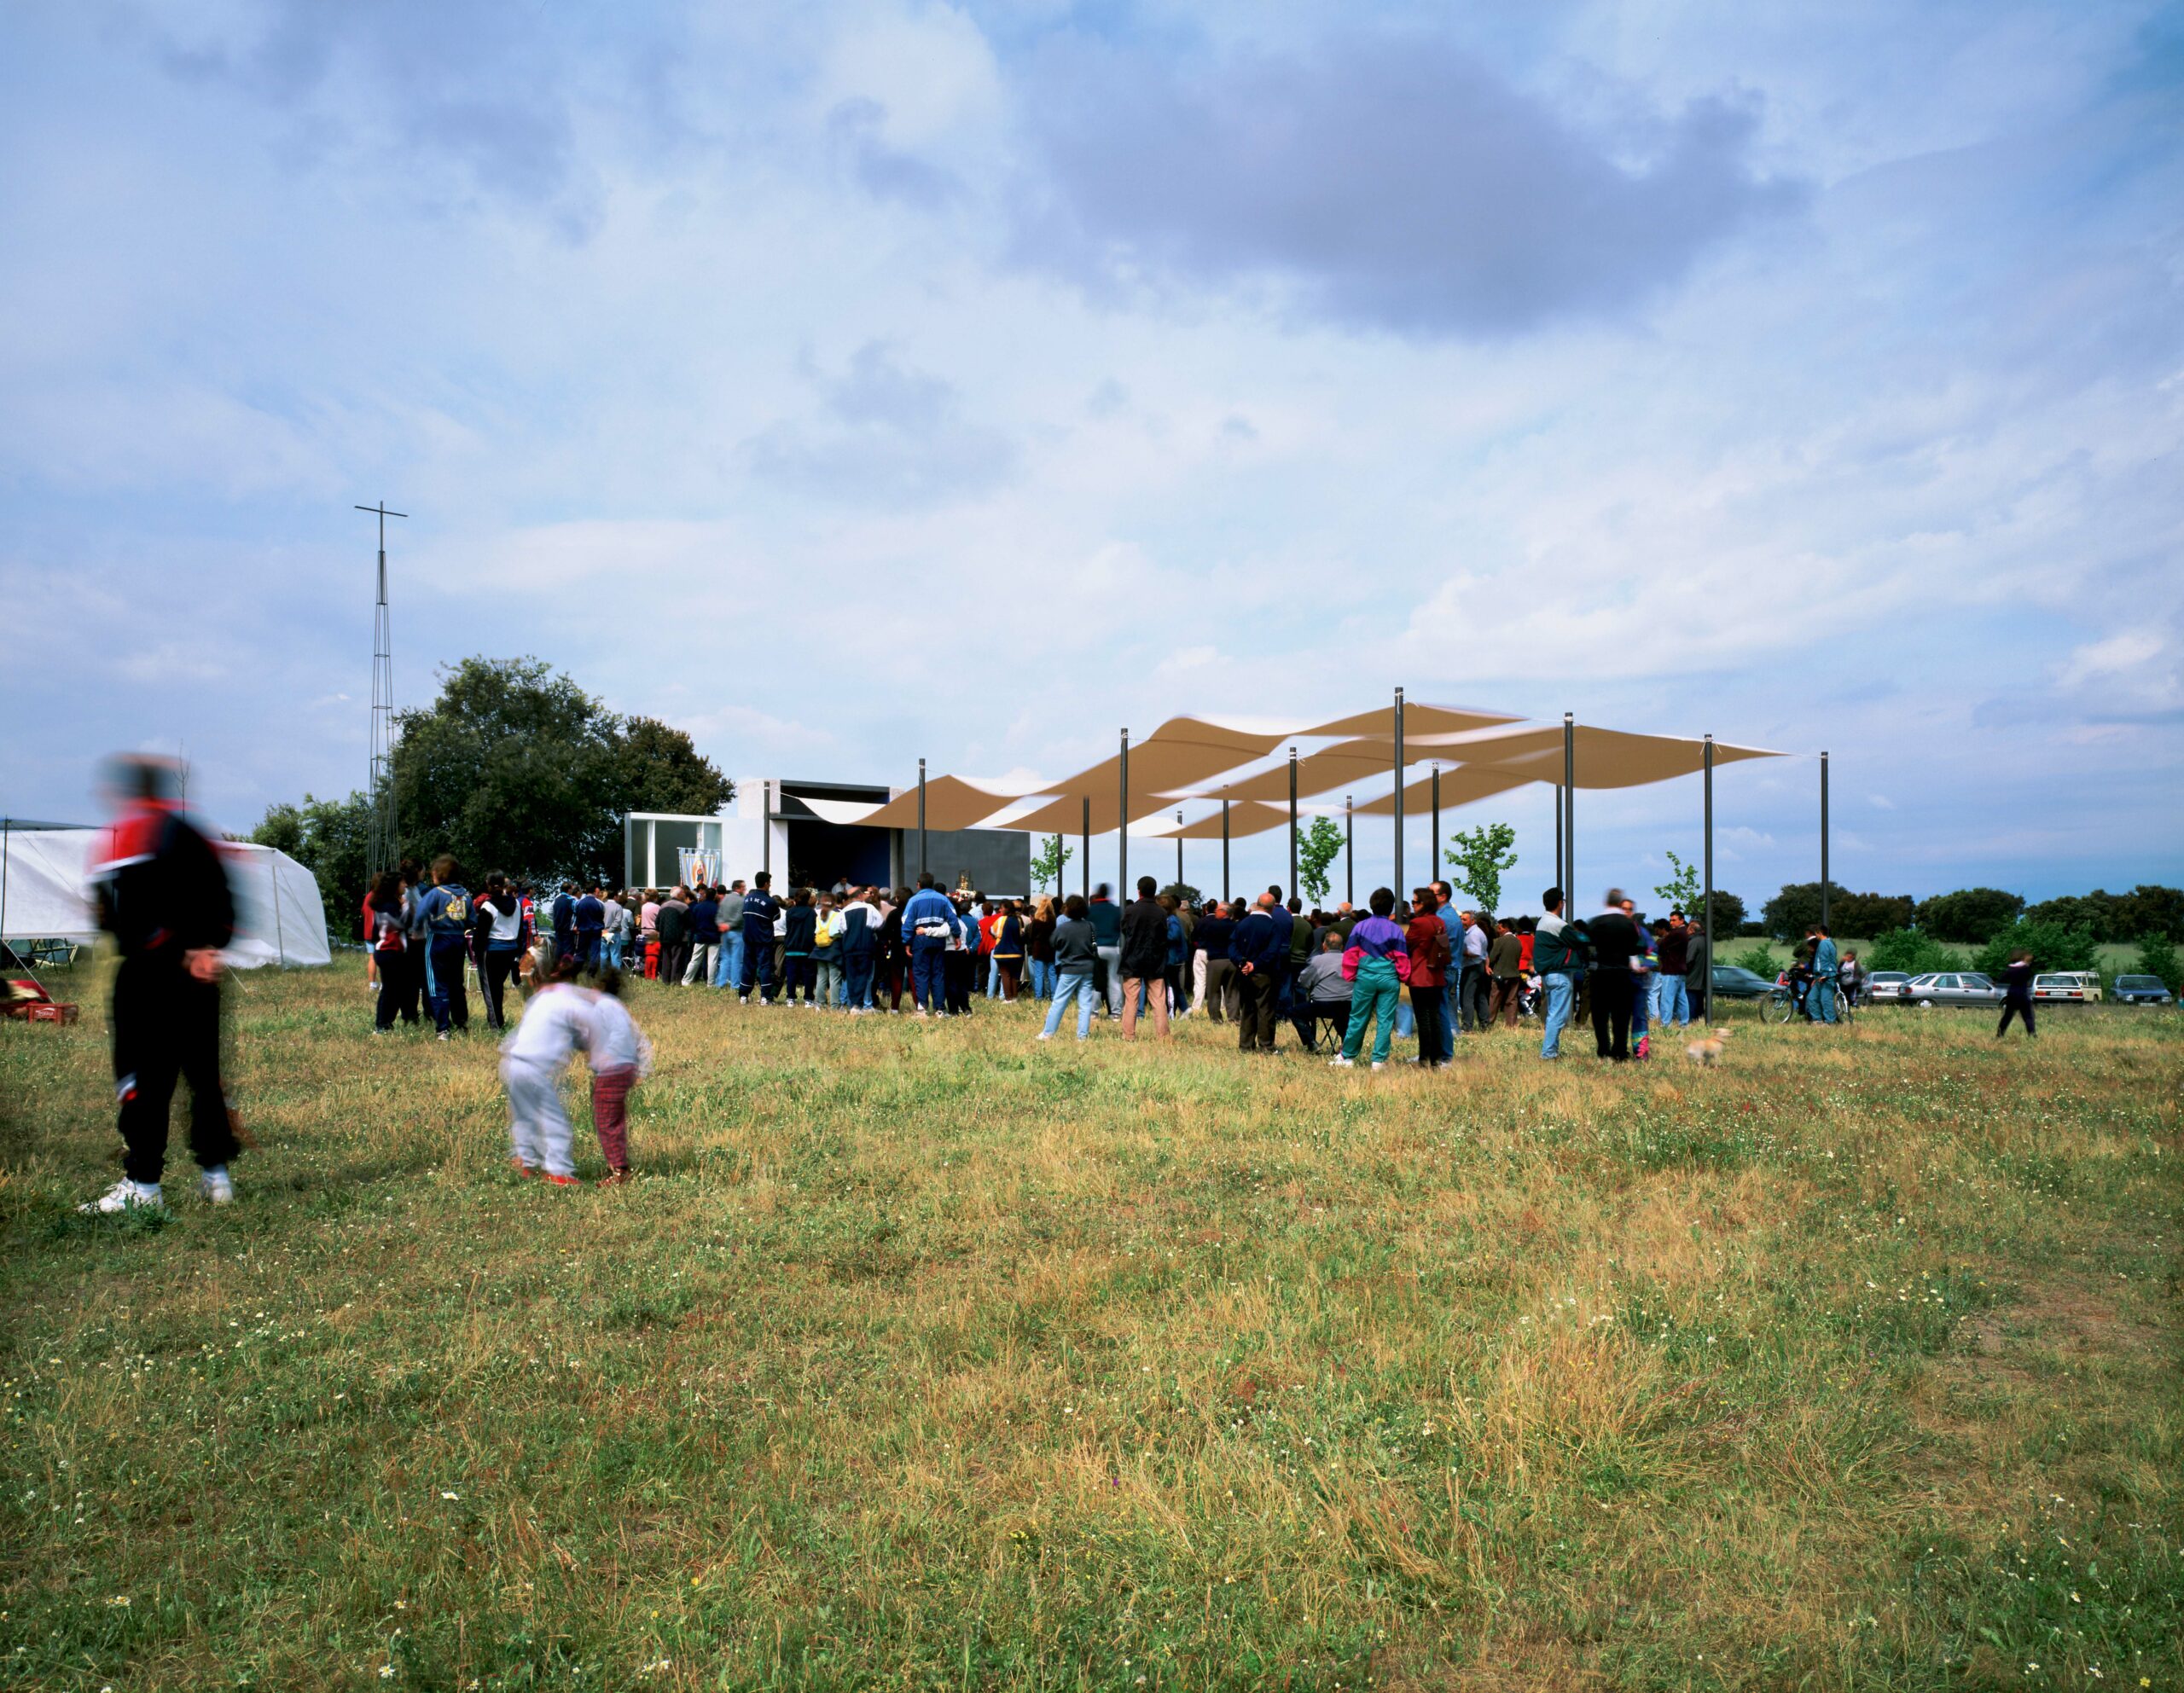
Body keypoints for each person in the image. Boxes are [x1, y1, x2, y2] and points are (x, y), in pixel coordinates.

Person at [78, 757, 243, 1214]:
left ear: (125, 793)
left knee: (143, 1079)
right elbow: (229, 900)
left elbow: (117, 914)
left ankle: (144, 1185)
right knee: (203, 1077)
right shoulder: (199, 837)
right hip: (201, 976)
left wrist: (166, 947)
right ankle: (217, 1178)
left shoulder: (125, 836)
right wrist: (209, 946)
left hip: (149, 978)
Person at [498, 954, 590, 1186]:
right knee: (554, 1121)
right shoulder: (572, 1001)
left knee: (523, 1116)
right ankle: (559, 1171)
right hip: (535, 1068)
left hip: (511, 1063)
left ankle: (525, 1160)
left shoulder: (539, 998)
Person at [583, 966, 651, 1185]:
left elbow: (616, 1035)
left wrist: (606, 1056)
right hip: (624, 1068)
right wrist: (641, 1068)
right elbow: (638, 1037)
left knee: (606, 1121)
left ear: (598, 988)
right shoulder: (617, 1007)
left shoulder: (602, 1006)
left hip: (613, 1069)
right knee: (614, 1119)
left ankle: (620, 1172)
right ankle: (618, 1165)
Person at [1333, 887, 1411, 1069]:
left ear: (1371, 905)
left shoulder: (1360, 927)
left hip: (1365, 978)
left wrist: (1350, 974)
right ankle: (1378, 1060)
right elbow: (1402, 956)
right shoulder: (1396, 930)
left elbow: (1351, 953)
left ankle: (1348, 1057)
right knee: (1385, 1020)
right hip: (1389, 979)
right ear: (1391, 907)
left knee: (1358, 1017)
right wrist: (1404, 975)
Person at [414, 855, 473, 1039]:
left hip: (438, 940)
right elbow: (472, 920)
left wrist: (416, 931)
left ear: (439, 875)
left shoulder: (436, 892)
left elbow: (420, 913)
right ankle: (461, 1023)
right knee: (456, 983)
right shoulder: (466, 894)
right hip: (458, 942)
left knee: (436, 983)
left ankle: (443, 1028)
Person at [1228, 889, 1289, 1054]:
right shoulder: (1272, 926)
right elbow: (1272, 950)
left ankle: (1246, 1045)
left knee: (1247, 1008)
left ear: (1257, 904)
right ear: (1272, 908)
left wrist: (1242, 962)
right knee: (1265, 1010)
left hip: (1243, 972)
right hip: (1265, 973)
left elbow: (1232, 946)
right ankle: (1266, 1045)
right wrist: (1256, 964)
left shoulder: (1242, 923)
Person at [1585, 889, 1642, 1063]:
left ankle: (1604, 1049)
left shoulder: (1595, 923)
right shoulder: (1628, 924)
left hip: (1601, 973)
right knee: (1622, 1015)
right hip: (1622, 974)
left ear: (1605, 902)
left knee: (1600, 1015)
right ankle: (1619, 1050)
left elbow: (1587, 946)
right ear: (1620, 903)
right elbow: (1635, 948)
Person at [1037, 893, 1103, 1041]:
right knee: (1085, 1004)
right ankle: (1082, 1036)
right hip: (1087, 968)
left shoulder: (1064, 927)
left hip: (1069, 969)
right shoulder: (1090, 925)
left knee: (1059, 1001)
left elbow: (1053, 942)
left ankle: (1048, 1033)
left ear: (1067, 909)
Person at [1533, 887, 1587, 1060]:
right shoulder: (1558, 924)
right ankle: (1548, 1053)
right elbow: (1579, 941)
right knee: (1558, 1016)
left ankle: (1552, 1051)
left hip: (1549, 975)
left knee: (1553, 1015)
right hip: (1560, 975)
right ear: (1560, 903)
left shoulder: (1543, 921)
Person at [900, 873, 960, 1017]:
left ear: (918, 884)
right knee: (938, 974)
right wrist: (956, 935)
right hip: (938, 941)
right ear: (932, 884)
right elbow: (953, 918)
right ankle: (940, 1009)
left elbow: (906, 923)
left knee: (921, 974)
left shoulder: (913, 901)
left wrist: (907, 941)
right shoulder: (943, 899)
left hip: (920, 940)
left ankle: (922, 1008)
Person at [1118, 876, 1171, 1039]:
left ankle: (1129, 1035)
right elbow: (1164, 935)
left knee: (1131, 999)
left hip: (1133, 958)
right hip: (1155, 959)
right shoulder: (1161, 912)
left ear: (1139, 891)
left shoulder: (1131, 910)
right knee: (1158, 999)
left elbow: (1125, 930)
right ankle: (1163, 1036)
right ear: (1155, 891)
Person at [1405, 888, 1452, 1067]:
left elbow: (1406, 944)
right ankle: (1436, 1057)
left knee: (1423, 1019)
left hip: (1420, 975)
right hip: (1436, 974)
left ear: (1423, 904)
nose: (1413, 905)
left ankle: (1424, 1057)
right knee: (1435, 1017)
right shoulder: (1439, 921)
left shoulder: (1418, 923)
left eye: (1415, 902)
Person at [476, 875, 528, 1030]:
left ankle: (496, 1024)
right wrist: (518, 951)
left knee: (491, 990)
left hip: (492, 950)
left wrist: (476, 949)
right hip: (510, 949)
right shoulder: (517, 905)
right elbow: (519, 930)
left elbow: (481, 933)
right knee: (498, 986)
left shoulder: (488, 906)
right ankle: (497, 1020)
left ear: (489, 885)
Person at [1291, 931, 1354, 1052]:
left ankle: (1311, 1042)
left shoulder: (1316, 961)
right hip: (1347, 1005)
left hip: (1322, 1005)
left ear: (1324, 945)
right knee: (1341, 1018)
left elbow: (1303, 981)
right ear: (1342, 947)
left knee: (1295, 1012)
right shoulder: (1351, 960)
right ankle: (1346, 1043)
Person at [739, 872, 781, 1003]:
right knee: (765, 967)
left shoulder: (747, 898)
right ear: (766, 884)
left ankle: (744, 995)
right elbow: (777, 916)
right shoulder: (770, 901)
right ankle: (765, 997)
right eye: (769, 882)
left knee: (748, 966)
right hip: (763, 939)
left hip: (749, 937)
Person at [839, 886, 880, 1012]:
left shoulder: (844, 911)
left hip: (849, 946)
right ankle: (859, 1003)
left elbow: (841, 929)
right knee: (863, 975)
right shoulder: (869, 908)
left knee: (851, 976)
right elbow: (879, 923)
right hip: (865, 945)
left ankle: (853, 1005)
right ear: (860, 896)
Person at [1197, 901, 1238, 1023]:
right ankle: (1234, 1018)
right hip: (1232, 961)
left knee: (1213, 992)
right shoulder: (1236, 926)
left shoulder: (1211, 926)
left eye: (1218, 910)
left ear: (1224, 912)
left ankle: (1216, 1019)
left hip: (1215, 961)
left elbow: (1202, 940)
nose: (1215, 912)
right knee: (1233, 992)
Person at [1088, 883, 1124, 1015]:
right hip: (1113, 947)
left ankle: (1093, 1012)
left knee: (1095, 981)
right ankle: (1116, 1012)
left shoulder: (1091, 910)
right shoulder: (1115, 909)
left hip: (1096, 948)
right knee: (1114, 981)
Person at [781, 889, 819, 1006]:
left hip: (791, 947)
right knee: (808, 975)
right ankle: (808, 999)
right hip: (806, 948)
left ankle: (790, 998)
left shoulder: (789, 912)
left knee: (791, 975)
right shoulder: (812, 913)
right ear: (808, 899)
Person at [1655, 913, 1691, 1028]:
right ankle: (1684, 1022)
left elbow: (1660, 946)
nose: (1671, 923)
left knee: (1667, 998)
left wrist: (1662, 946)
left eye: (1674, 920)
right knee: (1681, 998)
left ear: (1682, 920)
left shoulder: (1676, 933)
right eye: (1670, 920)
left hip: (1671, 969)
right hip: (1680, 969)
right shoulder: (1685, 932)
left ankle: (1666, 1024)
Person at [682, 884, 720, 986]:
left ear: (706, 895)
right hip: (714, 937)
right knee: (712, 961)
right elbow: (719, 923)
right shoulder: (717, 908)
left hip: (700, 936)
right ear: (714, 896)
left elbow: (692, 923)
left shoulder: (698, 907)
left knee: (695, 960)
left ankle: (686, 980)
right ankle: (710, 983)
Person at [1490, 919, 1525, 1027]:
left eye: (1500, 928)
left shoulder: (1500, 941)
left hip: (1501, 974)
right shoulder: (1518, 941)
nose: (1498, 930)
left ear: (1506, 928)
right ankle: (1511, 1024)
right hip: (1514, 974)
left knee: (1494, 1000)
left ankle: (1488, 1022)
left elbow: (1492, 958)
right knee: (1512, 1000)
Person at [654, 887, 690, 989]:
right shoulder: (684, 907)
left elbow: (657, 923)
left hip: (665, 937)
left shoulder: (663, 906)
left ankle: (665, 980)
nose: (684, 895)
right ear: (679, 895)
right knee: (677, 960)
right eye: (683, 893)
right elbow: (690, 923)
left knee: (666, 959)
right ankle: (675, 982)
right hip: (679, 938)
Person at [1997, 948, 2036, 1038]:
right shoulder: (2025, 969)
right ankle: (2032, 1035)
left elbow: (2002, 979)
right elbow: (2028, 977)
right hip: (2022, 994)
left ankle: (1999, 1035)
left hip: (2012, 994)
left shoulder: (2011, 969)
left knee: (2007, 1016)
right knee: (2028, 1017)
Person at [1025, 896, 1057, 1002]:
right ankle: (1053, 997)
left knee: (1039, 974)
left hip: (1038, 949)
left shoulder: (1036, 921)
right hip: (1051, 949)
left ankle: (1039, 997)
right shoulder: (1053, 920)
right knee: (1052, 974)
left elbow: (1031, 935)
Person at [991, 899, 1025, 1002]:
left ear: (1007, 908)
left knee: (1005, 975)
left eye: (1002, 907)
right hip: (1017, 952)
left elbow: (991, 930)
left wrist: (997, 936)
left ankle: (1008, 998)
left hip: (1002, 952)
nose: (1000, 909)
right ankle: (1014, 997)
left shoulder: (1001, 920)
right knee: (1015, 976)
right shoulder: (1018, 920)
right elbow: (1021, 934)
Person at [1808, 925, 1840, 1024]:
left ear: (1819, 933)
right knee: (1812, 998)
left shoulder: (1824, 943)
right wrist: (1816, 977)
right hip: (1820, 976)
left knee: (1826, 999)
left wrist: (1825, 975)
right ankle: (1817, 1020)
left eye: (1816, 933)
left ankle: (1830, 1021)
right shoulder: (1827, 943)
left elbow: (1824, 960)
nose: (1815, 935)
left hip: (1826, 976)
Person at [601, 888, 630, 970]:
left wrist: (604, 930)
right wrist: (610, 930)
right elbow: (617, 922)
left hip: (603, 931)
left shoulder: (603, 905)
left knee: (603, 954)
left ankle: (603, 973)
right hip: (614, 932)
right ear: (615, 897)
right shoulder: (618, 907)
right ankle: (616, 974)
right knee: (615, 954)